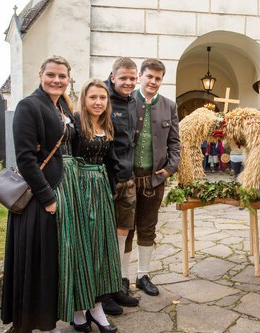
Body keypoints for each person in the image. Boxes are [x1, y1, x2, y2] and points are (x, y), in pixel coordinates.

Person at [1, 55, 71, 333]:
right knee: (33, 264)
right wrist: (48, 198)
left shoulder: (60, 106)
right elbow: (26, 159)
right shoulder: (28, 106)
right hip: (35, 200)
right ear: (40, 75)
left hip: (50, 194)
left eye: (62, 76)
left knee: (44, 263)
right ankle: (26, 323)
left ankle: (42, 321)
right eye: (51, 74)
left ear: (68, 79)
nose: (56, 80)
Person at [71, 79, 123, 333]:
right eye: (93, 97)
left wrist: (113, 186)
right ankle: (80, 309)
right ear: (84, 98)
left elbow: (110, 160)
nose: (98, 102)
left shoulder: (106, 124)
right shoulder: (74, 125)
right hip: (79, 190)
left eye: (102, 98)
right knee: (83, 247)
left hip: (101, 190)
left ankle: (96, 306)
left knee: (101, 246)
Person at [129, 58, 181, 296]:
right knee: (125, 228)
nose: (153, 81)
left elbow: (175, 143)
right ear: (140, 76)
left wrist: (171, 168)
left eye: (158, 78)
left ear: (162, 81)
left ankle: (142, 275)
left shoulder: (169, 106)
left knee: (148, 227)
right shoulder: (127, 101)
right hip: (127, 178)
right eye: (149, 76)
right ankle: (122, 277)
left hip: (154, 178)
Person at [104, 57, 140, 315]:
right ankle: (101, 293)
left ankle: (116, 285)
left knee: (122, 235)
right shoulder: (102, 99)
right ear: (113, 77)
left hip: (128, 180)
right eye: (123, 78)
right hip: (107, 180)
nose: (128, 82)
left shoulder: (134, 102)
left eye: (132, 78)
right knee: (102, 239)